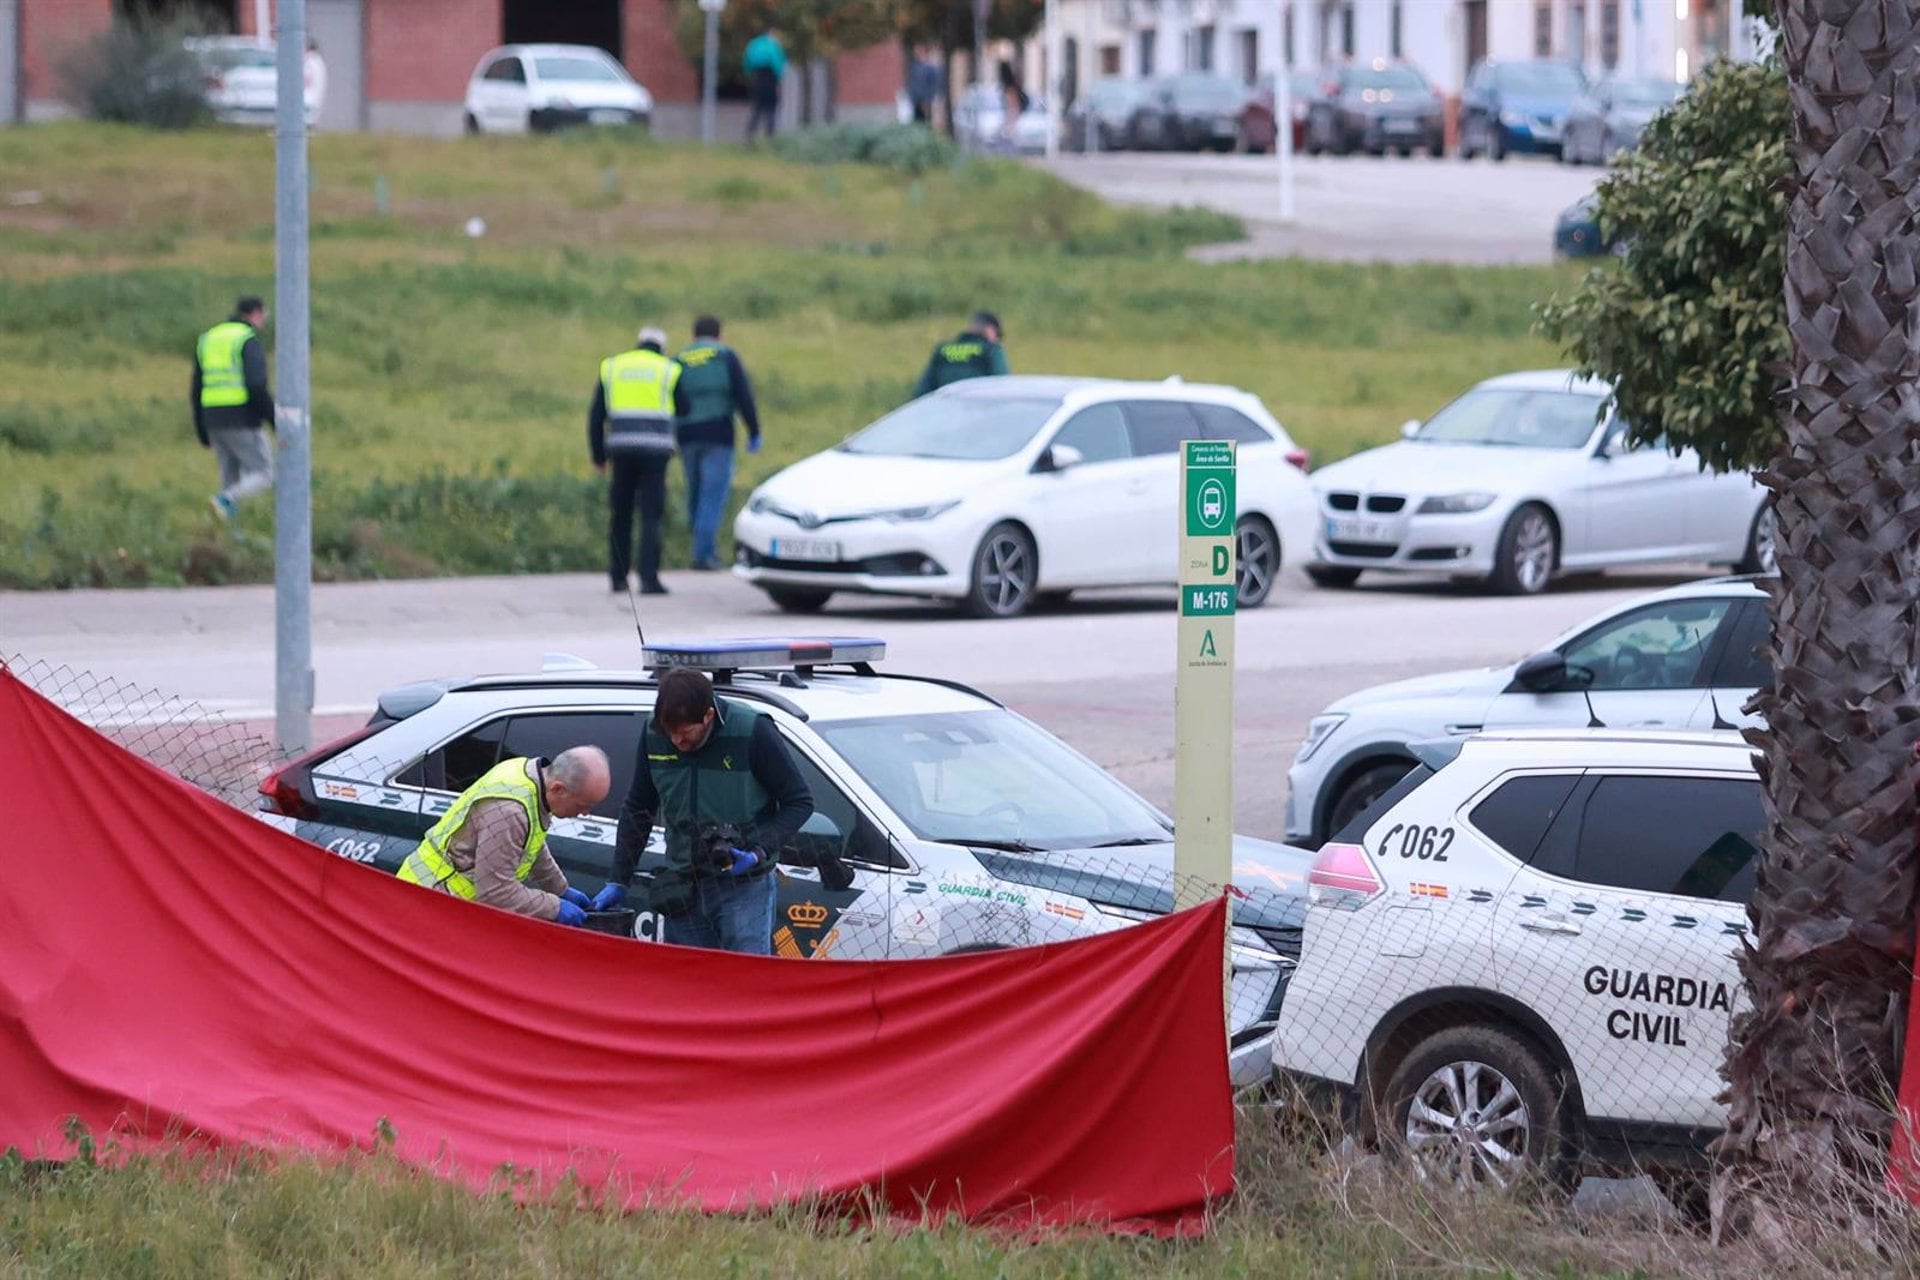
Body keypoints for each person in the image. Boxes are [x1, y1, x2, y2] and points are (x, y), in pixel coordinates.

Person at [596, 668, 813, 955]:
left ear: (709, 716)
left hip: (744, 887)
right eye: (670, 733)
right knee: (691, 985)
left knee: (745, 983)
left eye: (685, 733)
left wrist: (758, 851)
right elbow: (638, 807)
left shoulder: (752, 730)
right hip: (682, 887)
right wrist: (618, 878)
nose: (677, 742)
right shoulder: (653, 733)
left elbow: (799, 802)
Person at [397, 747, 611, 926]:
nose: (585, 814)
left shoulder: (526, 774)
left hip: (442, 902)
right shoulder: (511, 810)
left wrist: (560, 889)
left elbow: (530, 842)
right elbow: (495, 892)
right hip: (429, 903)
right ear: (558, 788)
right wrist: (555, 906)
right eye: (583, 805)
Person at [590, 325, 689, 595]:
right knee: (651, 515)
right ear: (662, 346)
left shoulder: (613, 367)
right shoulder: (668, 369)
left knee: (620, 515)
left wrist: (598, 455)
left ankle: (618, 577)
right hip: (655, 454)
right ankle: (648, 579)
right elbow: (685, 407)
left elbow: (597, 415)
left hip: (621, 452)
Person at [673, 315, 762, 571]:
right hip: (718, 434)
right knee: (712, 496)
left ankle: (701, 545)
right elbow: (743, 395)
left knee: (695, 492)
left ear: (693, 335)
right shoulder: (725, 356)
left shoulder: (680, 358)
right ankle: (703, 555)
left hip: (687, 435)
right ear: (719, 335)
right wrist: (753, 430)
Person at [193, 295, 275, 520]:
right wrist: (275, 419)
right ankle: (224, 500)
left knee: (231, 479)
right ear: (256, 314)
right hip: (242, 419)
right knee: (263, 473)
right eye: (264, 316)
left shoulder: (209, 338)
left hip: (212, 419)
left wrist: (201, 430)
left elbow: (196, 387)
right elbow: (256, 386)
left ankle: (227, 531)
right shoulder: (247, 340)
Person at [912, 311, 1010, 398]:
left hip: (947, 410)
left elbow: (923, 390)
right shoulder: (991, 349)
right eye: (998, 335)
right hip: (978, 410)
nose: (998, 340)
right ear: (990, 330)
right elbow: (1002, 383)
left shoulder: (943, 349)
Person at [743, 24, 786, 141]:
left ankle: (750, 137)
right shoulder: (774, 46)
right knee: (771, 110)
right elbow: (779, 64)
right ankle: (770, 138)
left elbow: (747, 63)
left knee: (756, 109)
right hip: (770, 79)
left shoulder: (754, 44)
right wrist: (779, 79)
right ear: (772, 32)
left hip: (757, 79)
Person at [907, 45, 941, 126]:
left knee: (926, 121)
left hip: (926, 101)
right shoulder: (914, 67)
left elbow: (933, 84)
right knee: (917, 121)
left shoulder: (931, 68)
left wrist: (928, 98)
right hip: (916, 100)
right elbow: (911, 83)